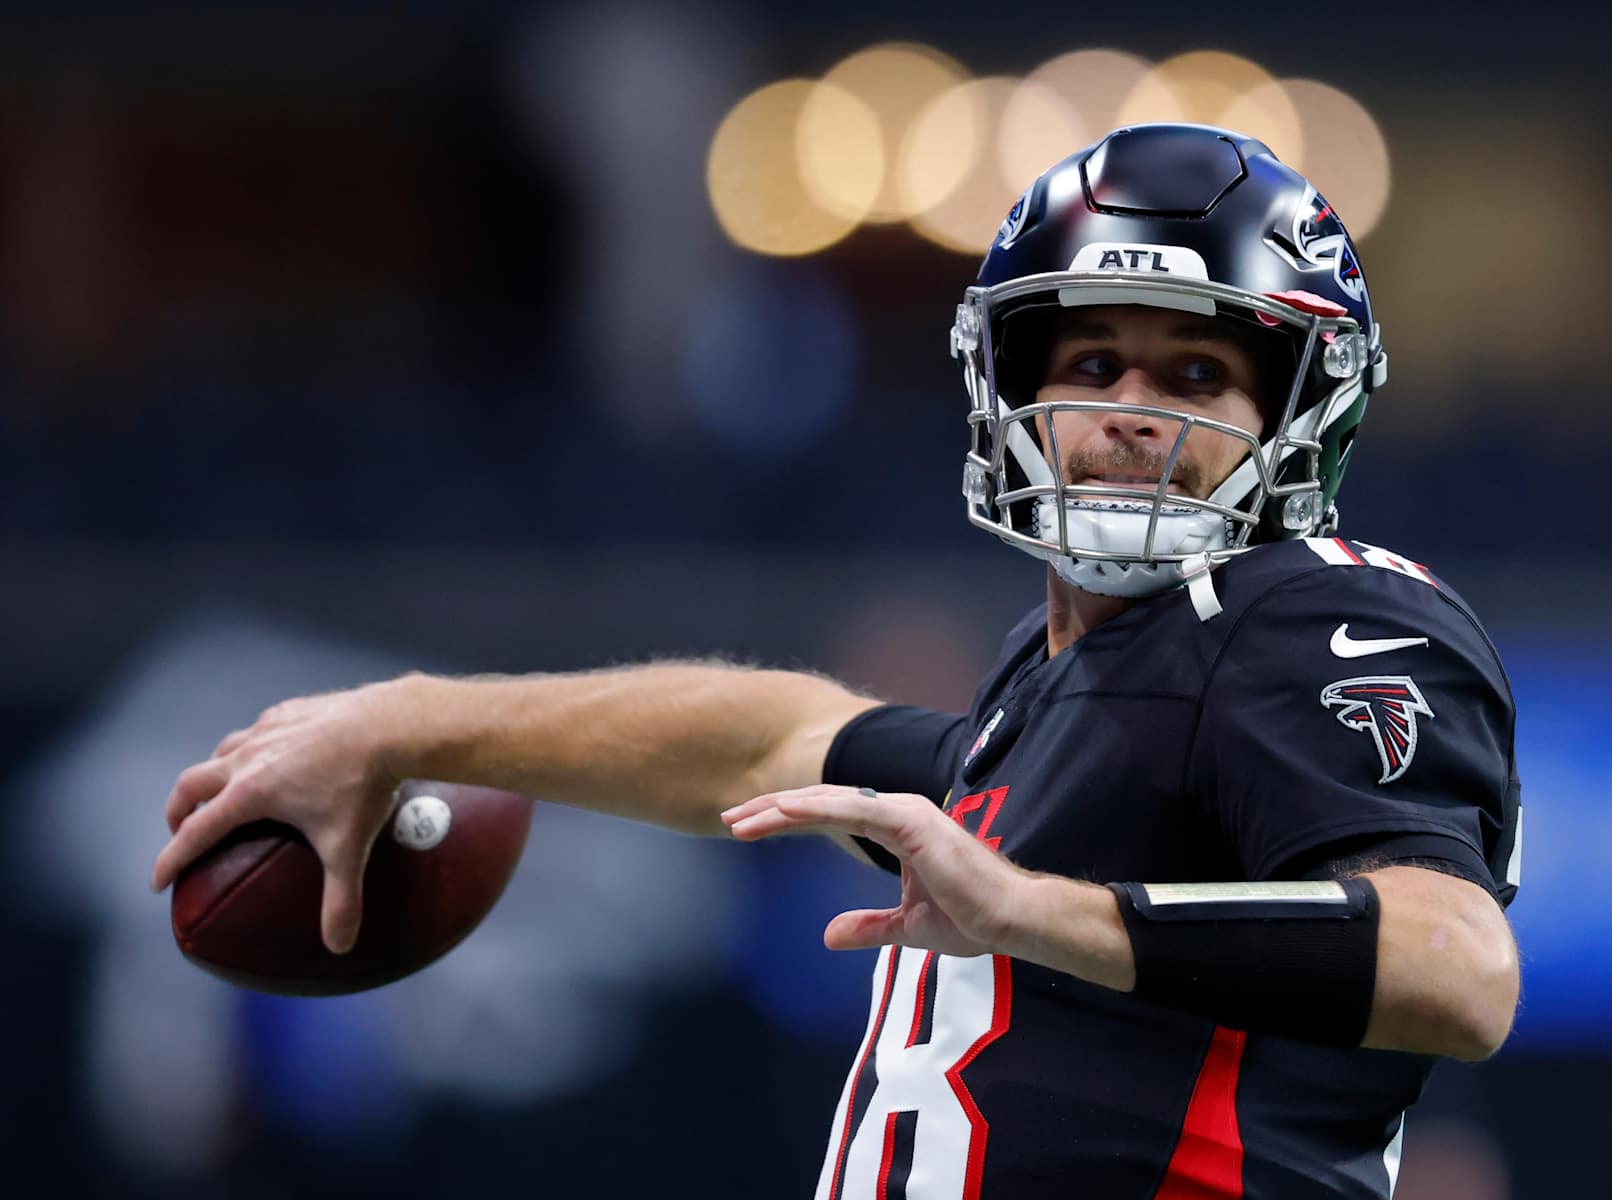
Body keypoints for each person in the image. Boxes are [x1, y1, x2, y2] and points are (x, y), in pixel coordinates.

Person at [152, 124, 1521, 1199]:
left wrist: (1036, 915)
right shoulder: (1059, 703)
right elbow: (760, 739)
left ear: (1300, 413)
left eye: (1195, 378)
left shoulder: (1302, 615)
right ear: (1010, 389)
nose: (1129, 419)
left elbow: (1459, 966)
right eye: (1093, 362)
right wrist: (408, 721)